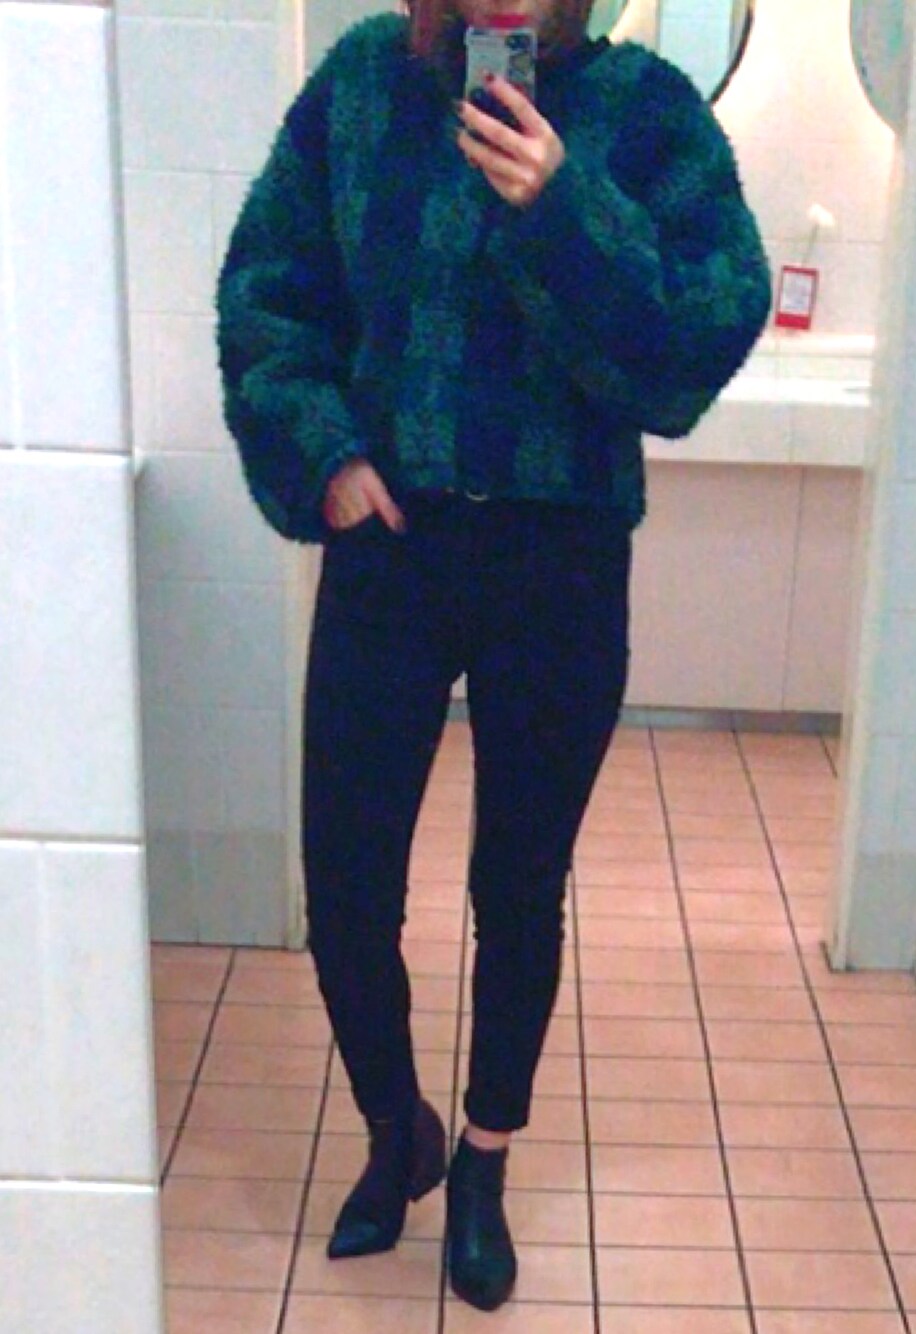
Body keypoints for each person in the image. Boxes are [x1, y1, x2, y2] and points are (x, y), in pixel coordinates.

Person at [216, 0, 770, 1312]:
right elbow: (266, 295)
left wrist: (566, 208)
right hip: (391, 545)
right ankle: (394, 1127)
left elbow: (696, 350)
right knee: (346, 885)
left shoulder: (646, 114)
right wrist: (325, 457)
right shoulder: (362, 86)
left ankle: (481, 1161)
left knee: (518, 888)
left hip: (559, 559)